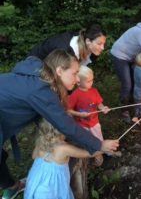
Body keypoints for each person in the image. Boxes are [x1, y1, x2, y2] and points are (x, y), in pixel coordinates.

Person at [0, 50, 119, 199]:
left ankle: (11, 186)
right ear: (59, 71)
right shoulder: (41, 89)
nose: (77, 79)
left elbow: (53, 115)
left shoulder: (38, 77)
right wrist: (99, 145)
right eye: (74, 73)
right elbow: (67, 126)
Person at [24, 119, 102, 199]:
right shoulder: (64, 148)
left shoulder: (41, 141)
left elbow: (33, 156)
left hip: (36, 181)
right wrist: (103, 148)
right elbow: (87, 154)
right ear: (62, 130)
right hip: (51, 188)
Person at [68, 65, 110, 166]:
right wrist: (79, 114)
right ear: (78, 82)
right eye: (88, 81)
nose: (91, 83)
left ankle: (101, 150)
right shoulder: (75, 95)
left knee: (98, 138)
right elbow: (68, 110)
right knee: (87, 140)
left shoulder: (94, 91)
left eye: (92, 80)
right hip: (82, 124)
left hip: (94, 122)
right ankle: (93, 154)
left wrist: (103, 108)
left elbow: (99, 103)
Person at [29, 23, 107, 65]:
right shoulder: (66, 51)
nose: (103, 48)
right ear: (88, 41)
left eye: (104, 44)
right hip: (35, 63)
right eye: (99, 44)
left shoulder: (91, 51)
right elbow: (59, 77)